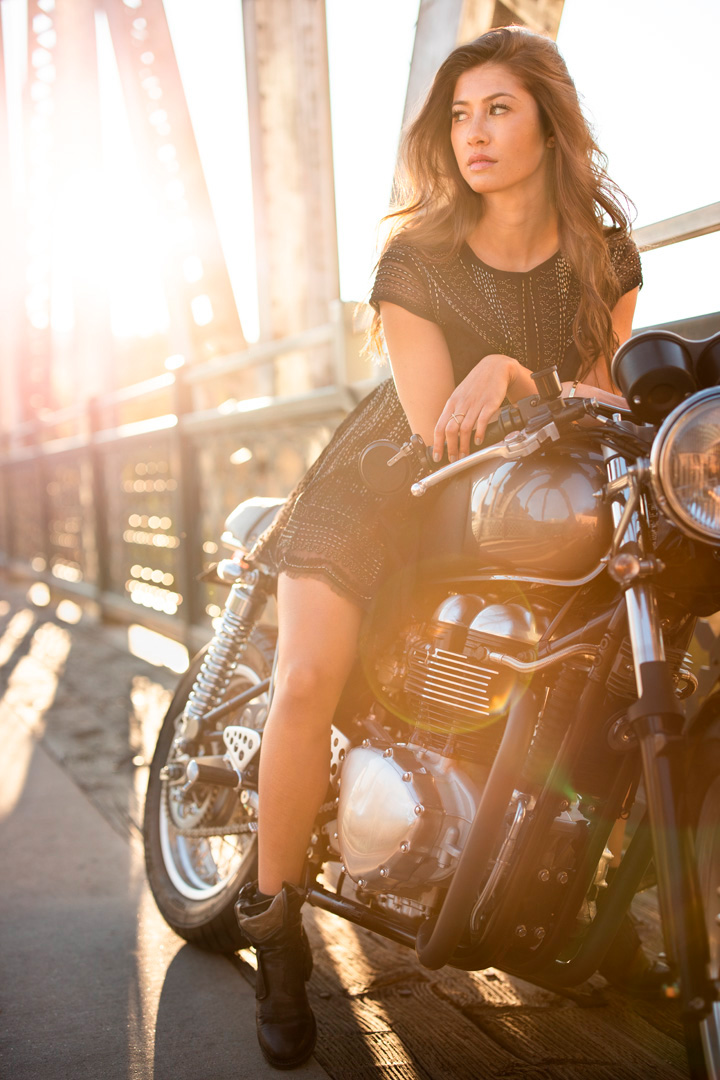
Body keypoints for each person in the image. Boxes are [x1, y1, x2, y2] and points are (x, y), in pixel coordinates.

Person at [234, 26, 643, 1070]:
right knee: (308, 677)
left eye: (498, 109)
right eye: (459, 115)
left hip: (525, 502)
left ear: (550, 125)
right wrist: (502, 367)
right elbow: (432, 429)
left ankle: (594, 898)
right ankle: (277, 931)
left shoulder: (603, 256)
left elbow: (602, 398)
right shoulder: (416, 260)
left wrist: (517, 371)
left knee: (616, 666)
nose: (474, 133)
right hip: (388, 488)